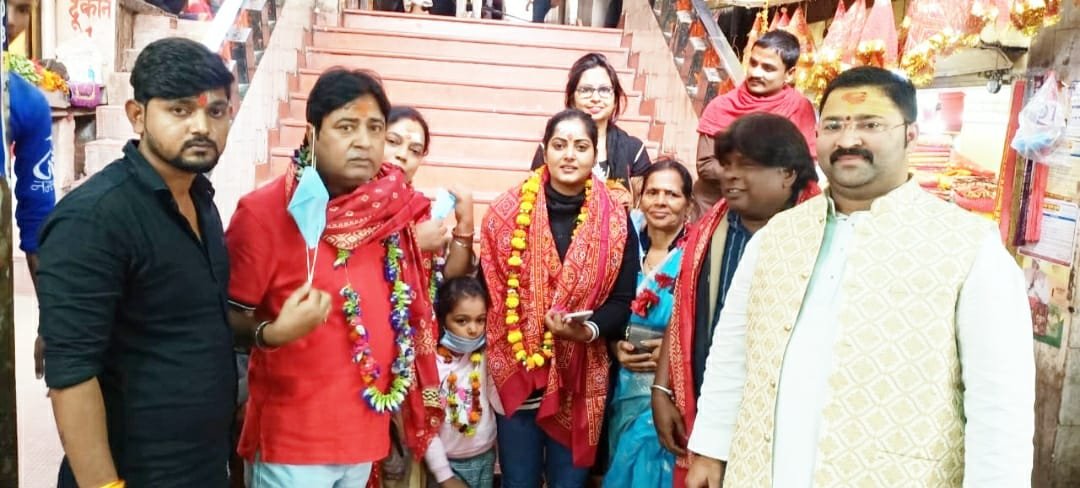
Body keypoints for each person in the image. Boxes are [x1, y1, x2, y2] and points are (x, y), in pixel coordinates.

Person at [685, 67, 1036, 487]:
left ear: (910, 135)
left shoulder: (969, 247)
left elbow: (1000, 403)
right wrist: (710, 447)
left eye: (870, 124)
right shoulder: (777, 235)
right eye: (834, 125)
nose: (848, 140)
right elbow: (732, 353)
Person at [226, 68, 444, 487]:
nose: (363, 141)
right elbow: (226, 318)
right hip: (293, 443)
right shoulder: (263, 213)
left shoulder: (390, 212)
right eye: (346, 127)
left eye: (375, 128)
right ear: (312, 134)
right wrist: (273, 333)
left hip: (364, 437)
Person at [38, 37, 237, 487]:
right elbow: (72, 377)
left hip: (202, 467)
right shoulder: (94, 218)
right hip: (136, 474)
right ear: (137, 116)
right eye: (180, 110)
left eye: (216, 111)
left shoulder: (200, 199)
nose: (202, 126)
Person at [650, 113, 820, 488]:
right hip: (707, 405)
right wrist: (661, 388)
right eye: (727, 165)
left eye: (747, 166)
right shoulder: (709, 231)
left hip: (781, 420)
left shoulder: (819, 236)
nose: (730, 176)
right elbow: (683, 312)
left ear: (788, 173)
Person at [480, 109, 638, 487]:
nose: (569, 155)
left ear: (595, 154)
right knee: (519, 481)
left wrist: (588, 331)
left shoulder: (616, 219)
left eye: (581, 146)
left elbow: (623, 300)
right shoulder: (505, 213)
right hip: (518, 368)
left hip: (581, 376)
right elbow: (490, 290)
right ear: (544, 149)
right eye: (559, 145)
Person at [603, 158, 693, 488]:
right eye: (653, 192)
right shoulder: (621, 249)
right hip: (622, 382)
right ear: (640, 199)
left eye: (672, 194)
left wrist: (671, 358)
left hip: (669, 389)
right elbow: (604, 309)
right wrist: (614, 347)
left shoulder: (695, 256)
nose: (660, 201)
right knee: (622, 461)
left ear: (688, 204)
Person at [692, 30, 817, 216]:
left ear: (789, 74)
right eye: (753, 63)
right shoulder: (721, 106)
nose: (756, 73)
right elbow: (705, 165)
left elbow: (805, 166)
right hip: (714, 209)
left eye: (768, 68)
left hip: (774, 213)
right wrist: (753, 176)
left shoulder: (799, 107)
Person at [7, 0, 58, 379]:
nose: (11, 19)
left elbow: (38, 217)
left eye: (22, 7)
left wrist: (52, 320)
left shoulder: (27, 104)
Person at [531, 53, 651, 208]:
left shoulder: (634, 150)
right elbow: (533, 196)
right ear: (572, 98)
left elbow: (643, 206)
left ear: (615, 98)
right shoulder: (553, 146)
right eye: (586, 90)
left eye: (604, 90)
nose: (595, 98)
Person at [424, 276, 500, 488]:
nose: (473, 329)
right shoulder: (431, 365)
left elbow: (499, 404)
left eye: (480, 320)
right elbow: (426, 427)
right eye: (462, 321)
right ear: (443, 320)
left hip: (484, 456)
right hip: (445, 463)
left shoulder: (484, 356)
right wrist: (445, 476)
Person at [385, 106, 475, 281]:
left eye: (415, 151)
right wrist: (411, 242)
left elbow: (446, 279)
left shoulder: (418, 210)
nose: (402, 155)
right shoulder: (351, 196)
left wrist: (465, 224)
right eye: (392, 141)